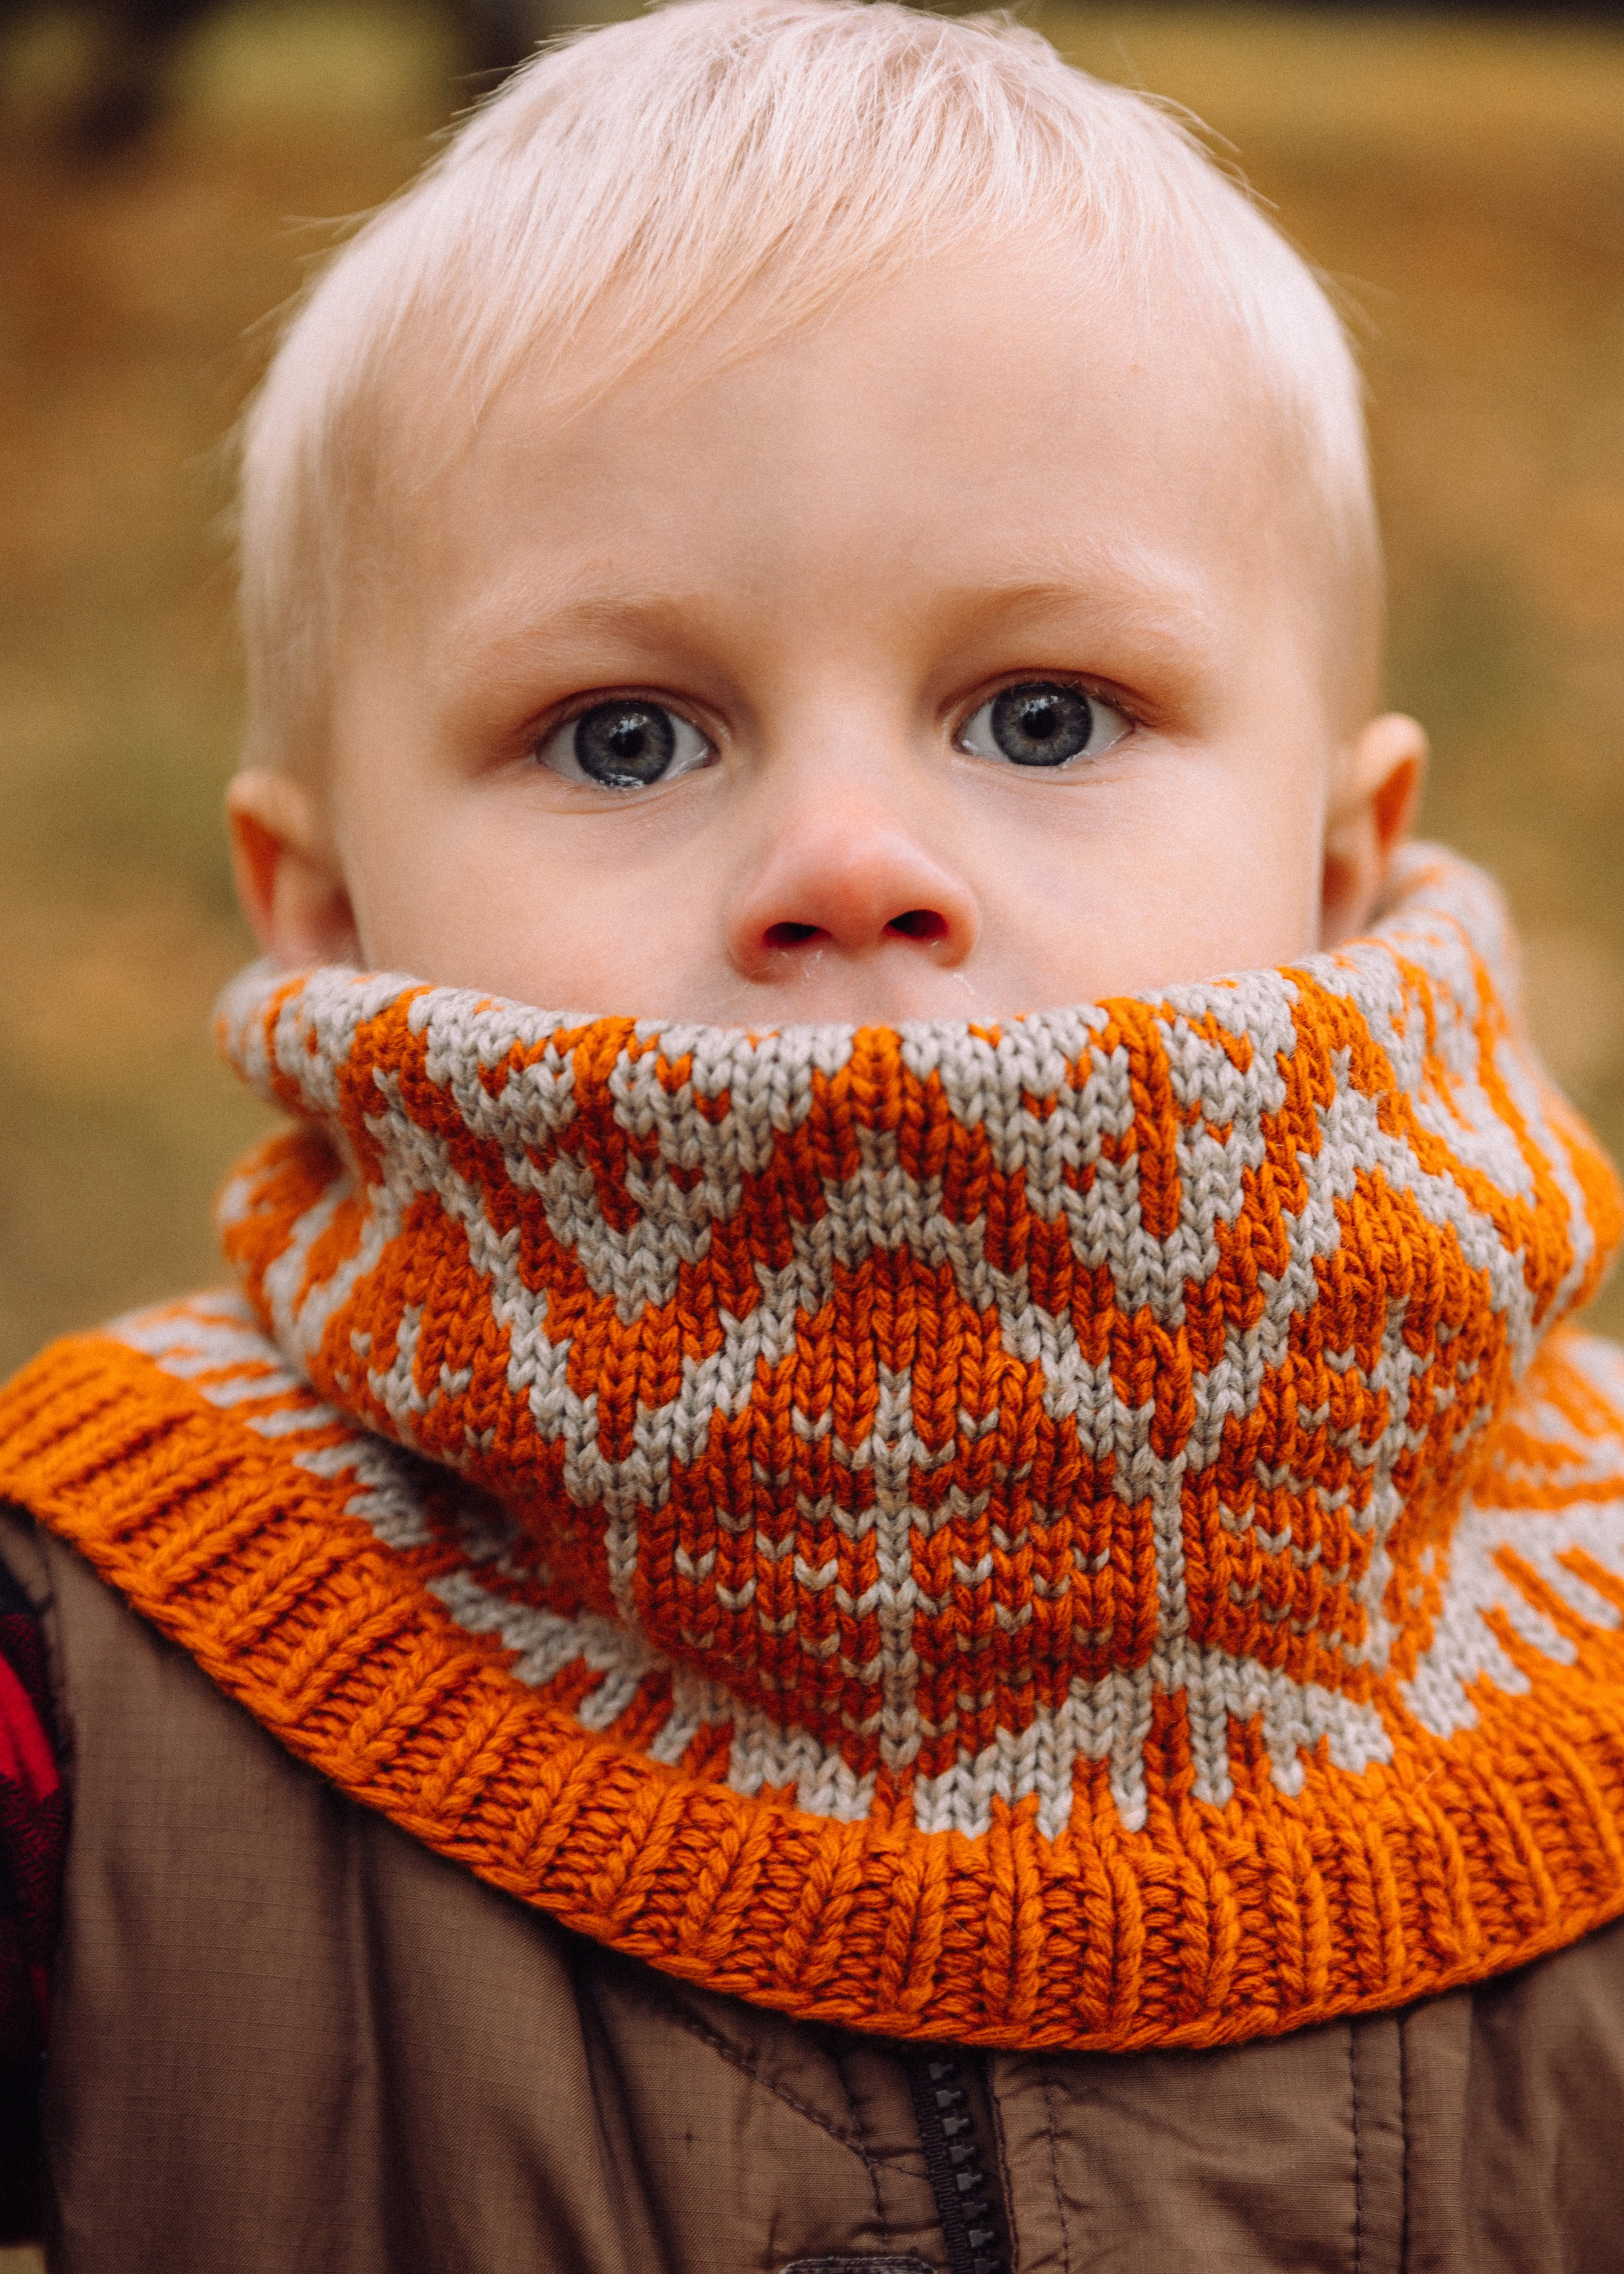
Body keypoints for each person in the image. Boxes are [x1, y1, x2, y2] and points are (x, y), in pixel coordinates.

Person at [3, 3, 1624, 2264]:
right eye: (628, 737)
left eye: (1043, 715)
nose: (850, 856)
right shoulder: (90, 1653)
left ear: (1339, 863)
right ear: (333, 907)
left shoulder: (1596, 1613)